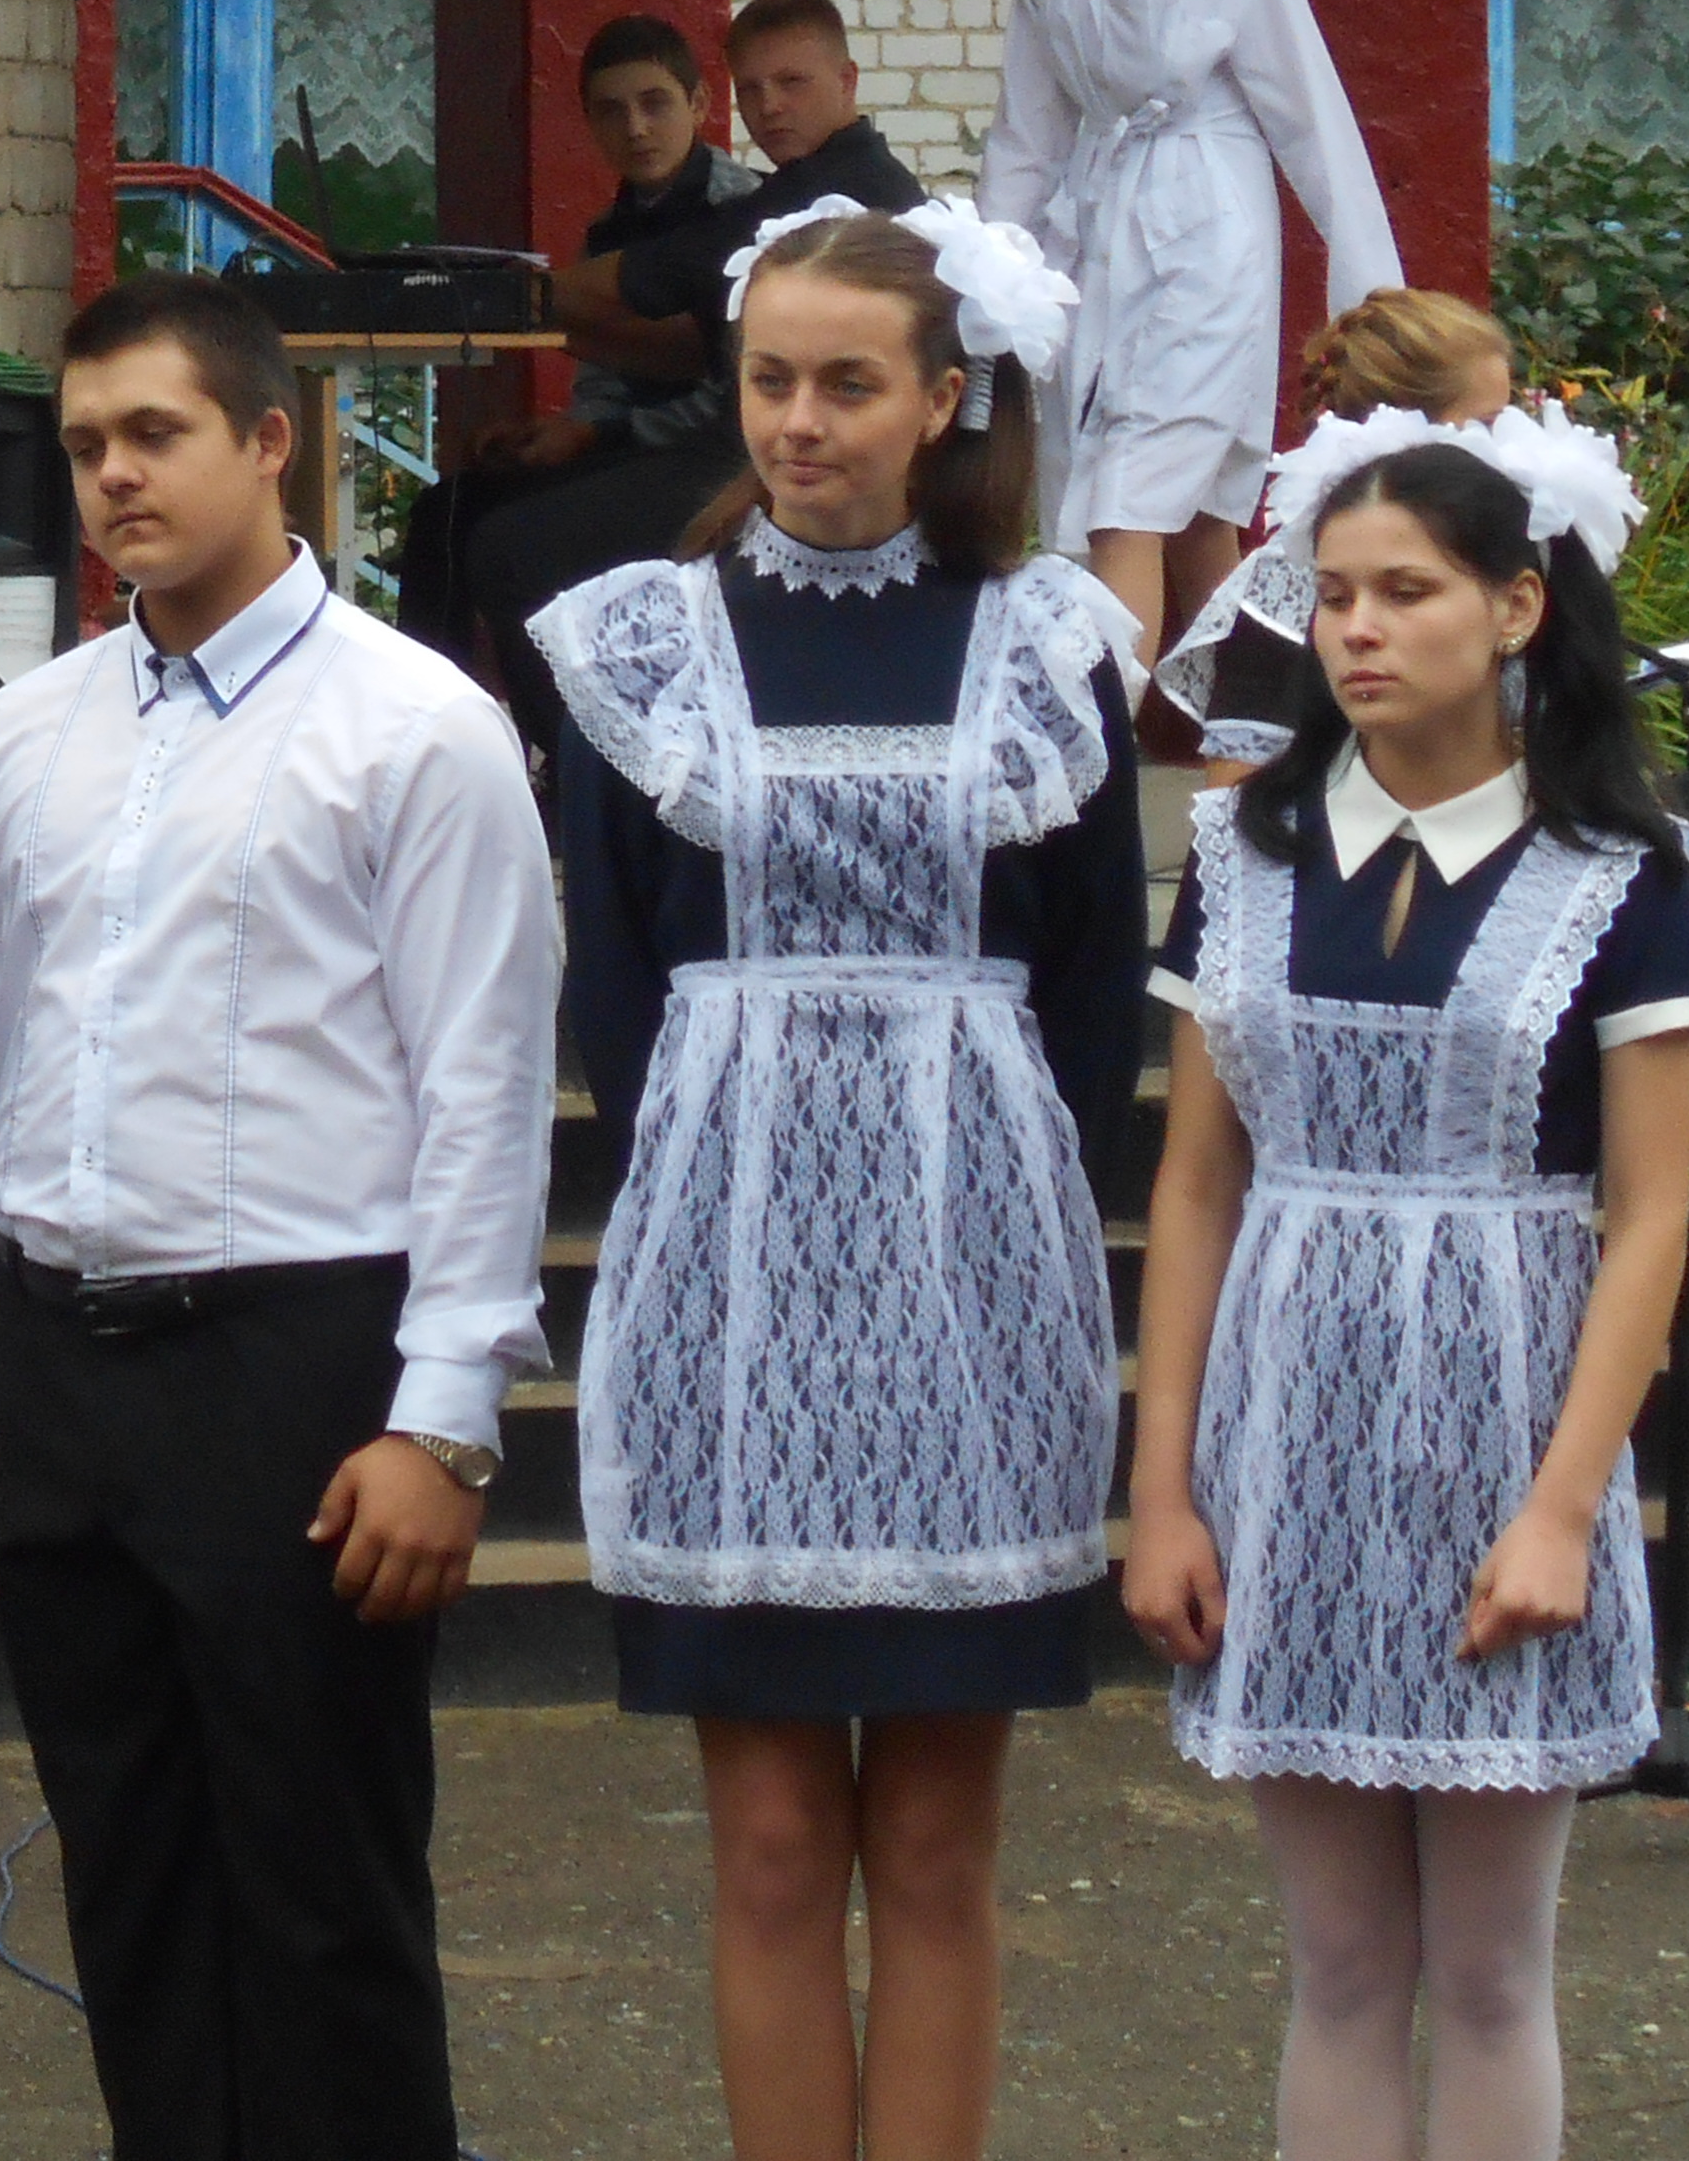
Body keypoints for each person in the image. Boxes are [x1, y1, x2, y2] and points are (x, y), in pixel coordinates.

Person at [0, 270, 560, 2161]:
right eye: (85, 444)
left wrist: (444, 1416)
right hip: (64, 1364)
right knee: (132, 1884)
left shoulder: (415, 726)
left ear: (272, 441)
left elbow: (485, 1088)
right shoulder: (27, 733)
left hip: (298, 1363)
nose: (114, 475)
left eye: (154, 433)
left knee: (323, 1893)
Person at [519, 202, 1146, 2161]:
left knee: (939, 1847)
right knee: (777, 1841)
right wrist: (739, 1195)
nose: (797, 419)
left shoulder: (1047, 644)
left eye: (846, 383)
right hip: (734, 1293)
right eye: (768, 378)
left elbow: (1093, 988)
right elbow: (615, 987)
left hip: (974, 1289)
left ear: (942, 398)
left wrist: (983, 1214)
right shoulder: (645, 640)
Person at [1129, 425, 1689, 2161]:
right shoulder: (1243, 851)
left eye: (1406, 590)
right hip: (1286, 1438)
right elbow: (1195, 1184)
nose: (1359, 629)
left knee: (1487, 1971)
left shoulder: (1617, 868)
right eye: (1333, 596)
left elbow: (1652, 1214)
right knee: (1337, 1961)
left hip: (1506, 1438)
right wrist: (1162, 1493)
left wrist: (1561, 1511)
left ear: (1516, 606)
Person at [979, 0, 1405, 658]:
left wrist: (1368, 289)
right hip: (1093, 229)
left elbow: (1307, 113)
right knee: (1197, 519)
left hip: (1206, 229)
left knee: (1125, 501)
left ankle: (1099, 735)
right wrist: (991, 280)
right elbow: (1026, 131)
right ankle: (1266, 725)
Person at [468, 0, 931, 674]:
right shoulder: (800, 182)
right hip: (753, 450)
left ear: (848, 81)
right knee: (467, 510)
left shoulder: (841, 189)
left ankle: (590, 741)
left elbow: (664, 272)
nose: (770, 107)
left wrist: (496, 297)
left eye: (792, 83)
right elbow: (692, 345)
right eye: (752, 90)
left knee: (510, 550)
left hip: (789, 467)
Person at [392, 13, 730, 665]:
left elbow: (733, 398)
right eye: (611, 111)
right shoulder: (607, 232)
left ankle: (554, 728)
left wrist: (597, 436)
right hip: (627, 451)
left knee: (510, 546)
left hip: (708, 462)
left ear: (699, 104)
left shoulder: (739, 214)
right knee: (445, 512)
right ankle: (430, 712)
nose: (635, 128)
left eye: (655, 103)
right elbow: (603, 382)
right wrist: (561, 434)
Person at [1147, 289, 1521, 775]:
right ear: (1404, 430)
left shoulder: (1514, 549)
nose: (1510, 448)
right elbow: (1235, 786)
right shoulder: (1287, 585)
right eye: (1486, 426)